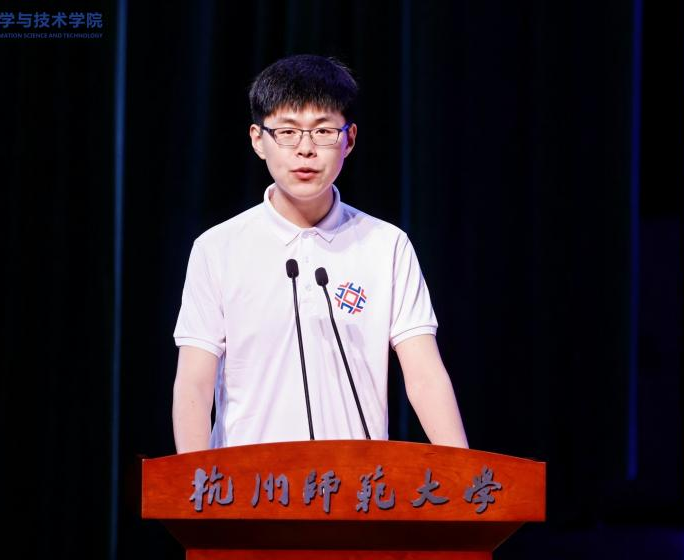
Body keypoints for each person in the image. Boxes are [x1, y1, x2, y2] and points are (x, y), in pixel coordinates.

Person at [172, 54, 467, 453]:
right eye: (288, 132)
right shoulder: (217, 248)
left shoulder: (387, 245)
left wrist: (463, 474)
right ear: (258, 140)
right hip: (248, 482)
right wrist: (194, 482)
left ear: (350, 139)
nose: (306, 150)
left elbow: (425, 377)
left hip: (359, 481)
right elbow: (194, 382)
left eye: (324, 131)